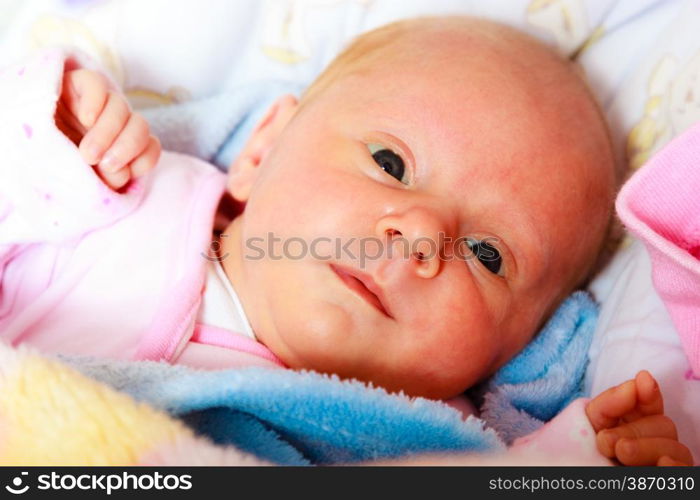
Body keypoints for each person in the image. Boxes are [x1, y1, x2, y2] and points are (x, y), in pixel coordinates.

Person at [0, 16, 692, 465]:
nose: (421, 233)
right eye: (390, 164)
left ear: (516, 349)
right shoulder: (116, 201)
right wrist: (50, 130)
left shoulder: (445, 448)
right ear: (263, 148)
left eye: (487, 255)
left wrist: (577, 466)